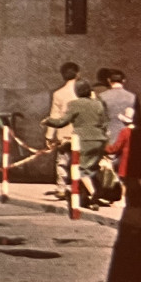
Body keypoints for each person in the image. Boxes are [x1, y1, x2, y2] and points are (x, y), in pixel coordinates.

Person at [44, 78, 109, 208]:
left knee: (80, 169)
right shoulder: (98, 103)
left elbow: (62, 122)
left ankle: (94, 194)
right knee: (93, 168)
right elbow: (105, 122)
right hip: (100, 139)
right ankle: (90, 197)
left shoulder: (75, 104)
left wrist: (48, 121)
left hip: (83, 140)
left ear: (77, 92)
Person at [45, 62, 80, 197]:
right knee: (80, 162)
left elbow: (54, 116)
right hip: (80, 133)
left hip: (64, 133)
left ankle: (61, 187)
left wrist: (49, 135)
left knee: (62, 162)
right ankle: (80, 187)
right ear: (78, 74)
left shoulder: (58, 94)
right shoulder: (82, 93)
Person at [105, 107, 141, 208]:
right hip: (140, 161)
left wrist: (105, 148)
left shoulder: (124, 132)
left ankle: (123, 200)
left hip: (127, 162)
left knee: (123, 181)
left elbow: (116, 147)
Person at [98, 69, 137, 145]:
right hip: (126, 134)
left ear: (109, 80)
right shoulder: (132, 97)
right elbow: (136, 118)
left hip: (108, 134)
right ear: (123, 80)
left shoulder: (102, 96)